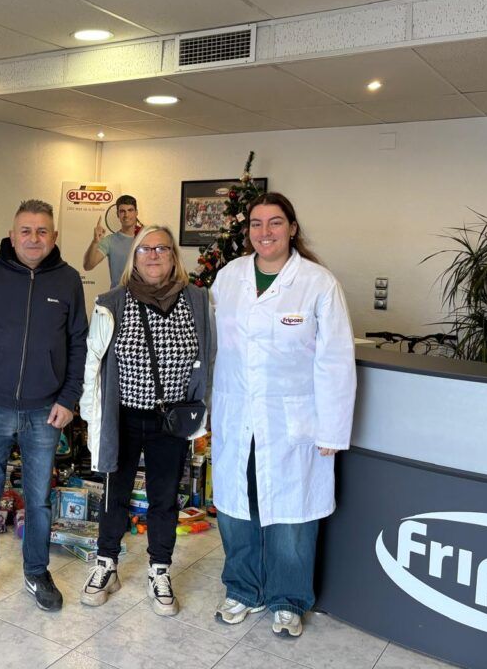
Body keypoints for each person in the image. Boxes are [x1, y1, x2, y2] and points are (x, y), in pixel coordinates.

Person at [210, 192, 356, 638]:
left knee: (292, 515)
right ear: (247, 230)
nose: (265, 232)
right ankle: (243, 589)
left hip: (294, 421)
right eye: (256, 223)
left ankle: (288, 599)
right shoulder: (229, 277)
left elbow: (334, 360)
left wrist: (332, 428)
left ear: (292, 228)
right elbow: (211, 347)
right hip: (237, 415)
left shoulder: (317, 282)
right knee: (237, 508)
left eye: (275, 223)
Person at [0, 199, 88, 617]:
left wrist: (69, 399)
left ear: (54, 237)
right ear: (12, 235)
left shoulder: (68, 281)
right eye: (26, 231)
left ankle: (37, 570)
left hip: (44, 412)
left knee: (39, 499)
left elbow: (78, 344)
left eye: (42, 231)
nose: (34, 239)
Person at [78, 225, 212, 616]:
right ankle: (107, 564)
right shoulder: (112, 301)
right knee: (114, 492)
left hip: (172, 421)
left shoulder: (198, 301)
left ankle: (159, 569)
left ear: (174, 256)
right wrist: (91, 416)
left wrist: (207, 412)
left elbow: (211, 358)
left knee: (164, 498)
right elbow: (94, 364)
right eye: (145, 249)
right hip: (122, 416)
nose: (153, 256)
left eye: (162, 249)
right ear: (133, 257)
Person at [84, 194, 141, 288]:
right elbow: (88, 266)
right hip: (117, 299)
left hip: (143, 298)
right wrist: (95, 241)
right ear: (117, 214)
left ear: (136, 212)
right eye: (122, 211)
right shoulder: (109, 241)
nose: (126, 215)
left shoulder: (146, 238)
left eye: (130, 210)